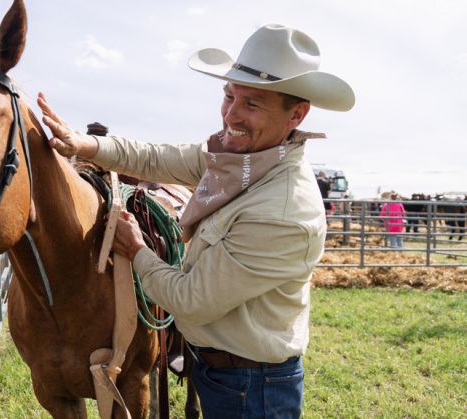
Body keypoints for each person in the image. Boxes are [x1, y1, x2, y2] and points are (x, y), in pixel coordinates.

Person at [38, 23, 354, 418]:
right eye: (228, 95)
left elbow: (191, 301)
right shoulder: (243, 161)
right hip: (226, 372)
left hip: (252, 388)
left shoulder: (283, 212)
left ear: (297, 115)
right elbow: (157, 159)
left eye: (252, 104)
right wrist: (86, 145)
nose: (231, 114)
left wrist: (135, 249)